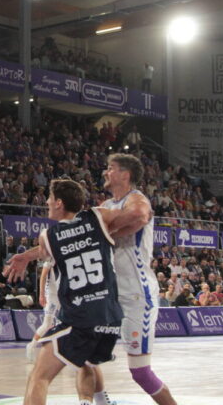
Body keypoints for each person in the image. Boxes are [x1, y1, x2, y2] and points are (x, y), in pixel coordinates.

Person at [3, 179, 137, 405]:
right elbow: (136, 216)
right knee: (86, 362)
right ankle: (95, 402)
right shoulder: (98, 217)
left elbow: (45, 251)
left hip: (79, 316)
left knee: (39, 376)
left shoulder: (49, 235)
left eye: (49, 198)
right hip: (110, 317)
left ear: (58, 203)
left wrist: (25, 256)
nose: (46, 202)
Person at [97, 154, 178, 405]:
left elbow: (139, 216)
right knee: (85, 356)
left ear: (125, 174)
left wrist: (107, 230)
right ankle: (99, 401)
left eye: (110, 168)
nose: (105, 172)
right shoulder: (107, 204)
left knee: (141, 373)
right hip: (110, 294)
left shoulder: (137, 198)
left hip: (136, 294)